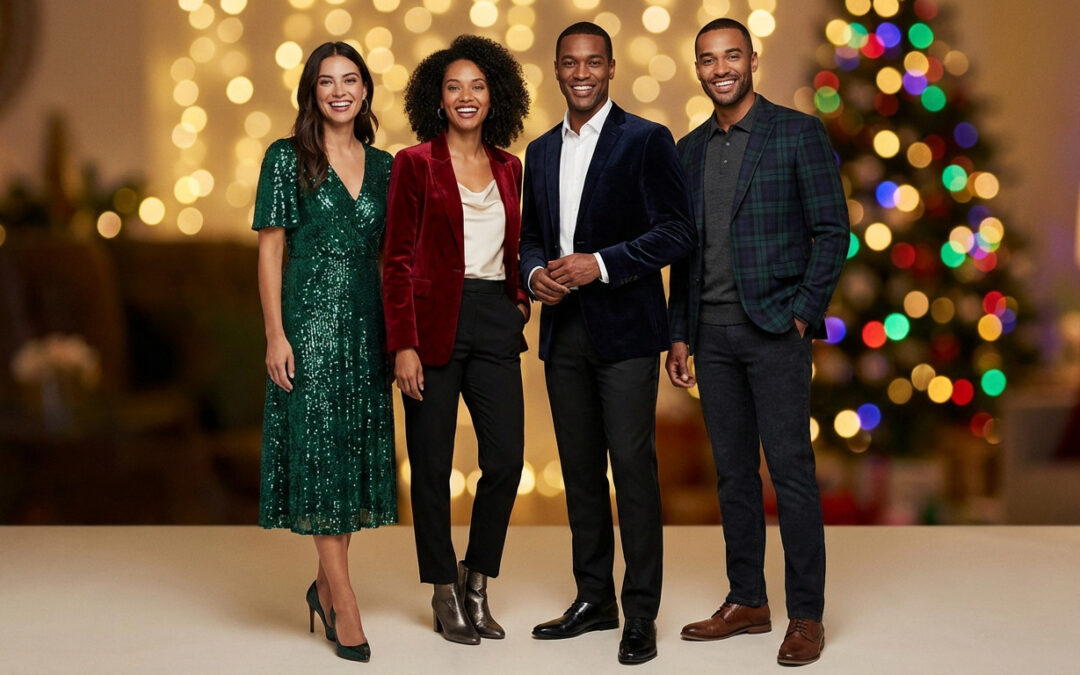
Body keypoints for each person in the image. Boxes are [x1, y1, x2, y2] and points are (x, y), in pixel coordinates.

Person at [665, 19, 849, 667]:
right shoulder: (686, 150)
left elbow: (833, 231)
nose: (720, 68)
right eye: (708, 59)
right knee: (733, 474)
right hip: (709, 336)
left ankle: (805, 614)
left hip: (775, 330)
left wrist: (803, 314)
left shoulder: (796, 133)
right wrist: (679, 334)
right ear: (699, 68)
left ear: (752, 60)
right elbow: (683, 253)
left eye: (731, 55)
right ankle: (747, 598)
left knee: (791, 473)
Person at [520, 22, 695, 666]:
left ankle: (640, 612)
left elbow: (678, 232)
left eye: (594, 62)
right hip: (563, 334)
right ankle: (594, 598)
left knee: (633, 473)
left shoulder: (646, 141)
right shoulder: (539, 151)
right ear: (558, 71)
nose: (583, 73)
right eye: (571, 63)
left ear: (612, 68)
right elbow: (531, 236)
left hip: (625, 334)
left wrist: (602, 263)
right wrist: (533, 273)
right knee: (580, 474)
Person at [382, 34, 531, 646]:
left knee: (505, 461)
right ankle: (444, 589)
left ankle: (477, 579)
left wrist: (519, 300)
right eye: (453, 87)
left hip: (495, 317)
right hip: (430, 325)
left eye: (476, 85)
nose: (466, 97)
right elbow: (394, 260)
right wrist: (403, 345)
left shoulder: (508, 166)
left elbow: (518, 246)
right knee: (433, 465)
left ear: (494, 94)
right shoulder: (414, 164)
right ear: (436, 99)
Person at [254, 42, 396, 663]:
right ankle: (345, 604)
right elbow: (269, 251)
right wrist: (275, 334)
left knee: (347, 462)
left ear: (365, 90)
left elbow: (396, 256)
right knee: (318, 462)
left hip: (369, 329)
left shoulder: (389, 165)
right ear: (312, 92)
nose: (339, 90)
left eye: (351, 79)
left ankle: (323, 586)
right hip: (307, 327)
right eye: (326, 81)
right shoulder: (286, 159)